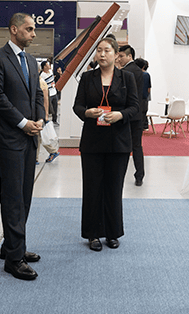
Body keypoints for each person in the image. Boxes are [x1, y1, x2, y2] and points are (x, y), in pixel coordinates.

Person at [0, 13, 45, 281]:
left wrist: (40, 118)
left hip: (30, 137)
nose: (33, 34)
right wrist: (23, 123)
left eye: (34, 29)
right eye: (29, 29)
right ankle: (14, 259)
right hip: (8, 139)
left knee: (25, 195)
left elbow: (38, 93)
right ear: (14, 29)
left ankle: (13, 246)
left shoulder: (31, 60)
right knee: (12, 198)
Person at [74, 38, 139, 252]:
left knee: (114, 188)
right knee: (92, 188)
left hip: (118, 142)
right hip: (92, 141)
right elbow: (77, 106)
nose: (102, 54)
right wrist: (87, 112)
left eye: (107, 50)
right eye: (99, 50)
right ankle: (92, 233)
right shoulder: (87, 78)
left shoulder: (127, 78)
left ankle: (112, 232)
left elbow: (135, 107)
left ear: (116, 54)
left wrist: (120, 115)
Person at [116, 45, 145, 186]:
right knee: (137, 146)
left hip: (126, 114)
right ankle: (139, 175)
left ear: (129, 56)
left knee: (123, 146)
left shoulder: (124, 72)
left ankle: (119, 174)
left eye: (121, 56)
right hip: (138, 114)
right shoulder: (140, 72)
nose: (119, 59)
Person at [134, 58, 151, 131]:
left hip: (136, 97)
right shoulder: (146, 75)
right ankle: (144, 126)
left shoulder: (134, 74)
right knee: (143, 112)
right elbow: (149, 88)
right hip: (144, 97)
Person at [39, 61, 58, 125]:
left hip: (54, 92)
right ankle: (46, 120)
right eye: (48, 65)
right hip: (48, 94)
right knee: (48, 108)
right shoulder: (42, 75)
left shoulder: (50, 71)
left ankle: (54, 120)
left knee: (55, 107)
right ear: (44, 67)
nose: (49, 66)